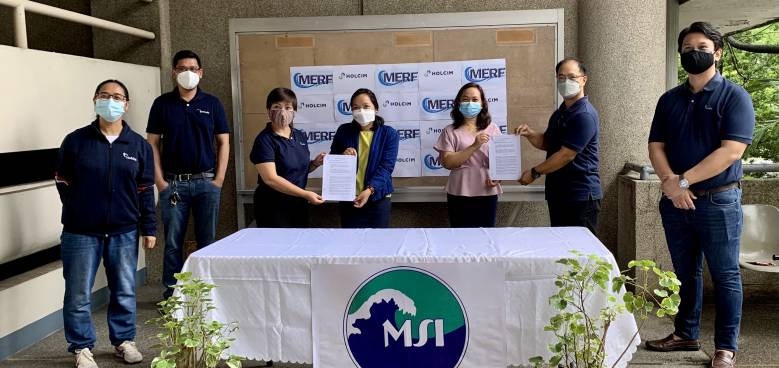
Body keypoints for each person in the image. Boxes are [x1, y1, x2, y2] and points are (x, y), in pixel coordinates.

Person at [645, 22, 755, 368]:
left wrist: (682, 183)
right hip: (675, 203)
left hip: (718, 200)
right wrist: (668, 182)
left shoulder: (734, 96)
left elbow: (731, 151)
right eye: (688, 46)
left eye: (703, 46)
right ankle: (686, 333)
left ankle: (726, 347)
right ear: (680, 53)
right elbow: (655, 145)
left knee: (725, 275)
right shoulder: (669, 99)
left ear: (717, 53)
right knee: (684, 272)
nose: (695, 51)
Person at [55, 80, 156, 368]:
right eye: (105, 96)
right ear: (95, 99)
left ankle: (124, 341)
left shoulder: (137, 145)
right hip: (80, 231)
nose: (111, 101)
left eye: (117, 97)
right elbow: (62, 180)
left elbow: (145, 189)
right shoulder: (76, 141)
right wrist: (80, 207)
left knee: (124, 289)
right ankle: (81, 347)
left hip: (124, 231)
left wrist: (148, 227)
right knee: (78, 293)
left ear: (126, 105)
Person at [146, 50, 230, 299]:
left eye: (193, 69)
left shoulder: (212, 103)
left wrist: (219, 180)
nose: (188, 73)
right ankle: (173, 294)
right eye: (182, 68)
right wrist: (160, 182)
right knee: (173, 241)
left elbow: (224, 142)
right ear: (174, 72)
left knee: (208, 241)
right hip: (173, 185)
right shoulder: (162, 104)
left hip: (206, 183)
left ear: (200, 72)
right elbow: (151, 144)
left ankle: (205, 294)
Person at [515, 57, 602, 235]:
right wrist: (530, 134)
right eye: (561, 77)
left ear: (583, 79)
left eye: (571, 77)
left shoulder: (584, 115)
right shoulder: (560, 113)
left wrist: (534, 172)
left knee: (579, 253)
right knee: (562, 250)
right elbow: (548, 143)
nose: (565, 82)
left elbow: (566, 155)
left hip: (580, 196)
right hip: (559, 194)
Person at [250, 87, 325, 227]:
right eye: (277, 107)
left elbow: (296, 170)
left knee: (300, 245)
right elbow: (271, 179)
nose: (282, 112)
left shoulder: (299, 136)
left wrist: (314, 163)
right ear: (268, 111)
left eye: (288, 107)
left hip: (298, 204)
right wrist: (306, 194)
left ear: (294, 111)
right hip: (273, 206)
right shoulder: (264, 140)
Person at [434, 82, 502, 227]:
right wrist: (474, 146)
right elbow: (448, 162)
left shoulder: (493, 128)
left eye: (475, 99)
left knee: (486, 236)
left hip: (487, 190)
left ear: (482, 103)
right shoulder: (450, 131)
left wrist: (498, 177)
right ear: (458, 103)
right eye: (465, 99)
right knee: (460, 236)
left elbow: (501, 162)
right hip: (459, 190)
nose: (470, 103)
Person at [330, 88, 399, 228]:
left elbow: (386, 167)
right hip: (349, 198)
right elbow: (333, 160)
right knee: (350, 242)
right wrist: (342, 157)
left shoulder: (389, 134)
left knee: (378, 243)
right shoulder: (344, 131)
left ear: (376, 108)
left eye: (366, 106)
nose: (361, 111)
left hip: (378, 197)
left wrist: (369, 190)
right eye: (356, 108)